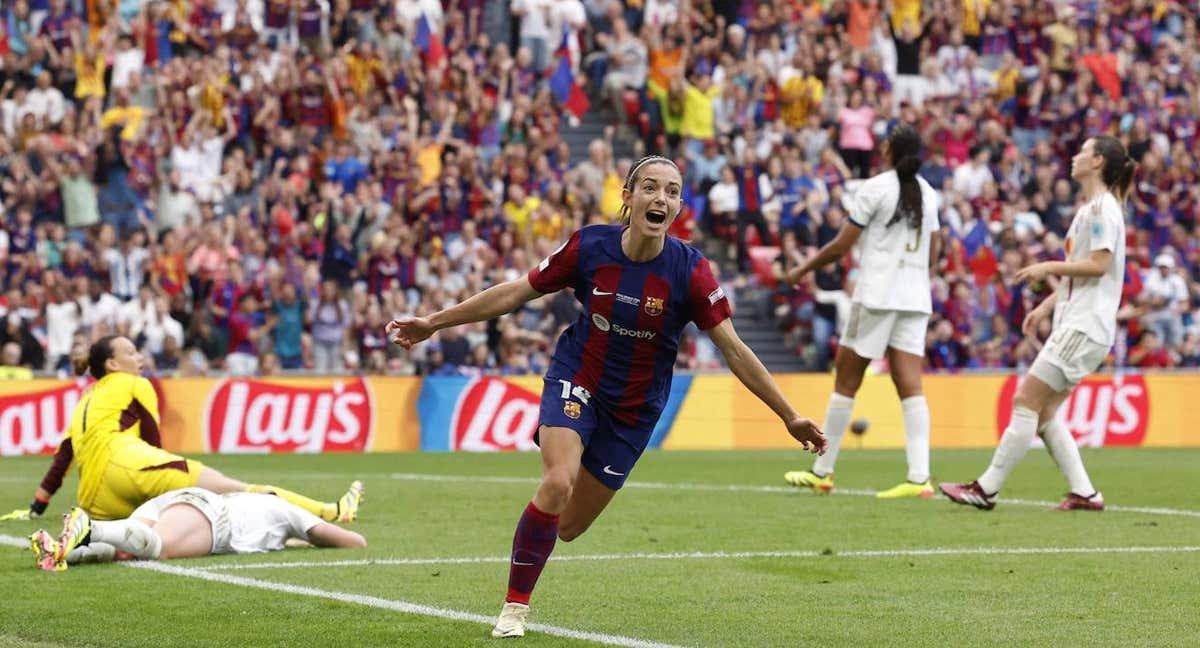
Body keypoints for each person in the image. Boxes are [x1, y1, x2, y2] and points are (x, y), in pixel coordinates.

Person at [385, 155, 826, 639]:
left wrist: (789, 415)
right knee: (557, 482)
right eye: (651, 188)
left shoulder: (690, 271)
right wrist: (433, 322)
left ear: (679, 205)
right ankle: (514, 608)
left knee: (568, 526)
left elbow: (736, 352)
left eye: (672, 191)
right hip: (578, 377)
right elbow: (513, 294)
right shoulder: (589, 247)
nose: (662, 198)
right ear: (628, 196)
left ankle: (534, 538)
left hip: (634, 410)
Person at [941, 136, 1136, 511]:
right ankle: (1086, 493)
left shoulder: (1102, 210)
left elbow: (1098, 265)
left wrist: (1048, 266)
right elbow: (1083, 273)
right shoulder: (1091, 209)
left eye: (1082, 151)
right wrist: (1047, 305)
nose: (1075, 156)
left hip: (1083, 326)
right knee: (1044, 413)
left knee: (1025, 400)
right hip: (1080, 323)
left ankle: (986, 489)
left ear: (1096, 161)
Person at [19, 336, 363, 524]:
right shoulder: (134, 383)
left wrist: (37, 507)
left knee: (182, 521)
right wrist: (176, 476)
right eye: (131, 351)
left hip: (95, 500)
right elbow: (154, 441)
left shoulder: (85, 401)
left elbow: (63, 458)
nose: (139, 356)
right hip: (128, 467)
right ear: (112, 364)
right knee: (236, 490)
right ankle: (330, 511)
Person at [782, 125, 940, 499]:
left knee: (847, 381)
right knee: (910, 386)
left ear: (887, 150)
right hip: (915, 297)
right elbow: (935, 250)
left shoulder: (877, 188)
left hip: (877, 294)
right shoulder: (929, 193)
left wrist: (802, 269)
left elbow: (841, 246)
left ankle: (823, 470)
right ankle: (919, 478)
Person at [30, 487, 367, 572]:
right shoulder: (286, 509)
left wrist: (295, 543)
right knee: (160, 548)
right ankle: (91, 528)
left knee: (127, 550)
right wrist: (311, 534)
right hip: (215, 516)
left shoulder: (261, 507)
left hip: (181, 501)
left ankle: (65, 552)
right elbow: (353, 541)